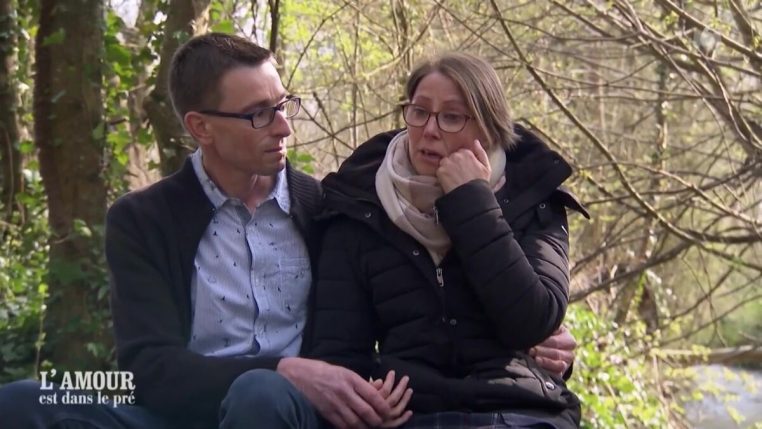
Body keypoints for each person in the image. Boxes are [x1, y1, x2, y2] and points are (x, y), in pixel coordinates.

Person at [0, 34, 577, 429]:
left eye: (284, 104)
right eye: (259, 114)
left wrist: (535, 335)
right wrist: (276, 367)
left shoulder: (321, 205)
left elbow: (405, 306)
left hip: (285, 406)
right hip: (177, 401)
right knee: (28, 398)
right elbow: (144, 369)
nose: (284, 128)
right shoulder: (143, 218)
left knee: (262, 396)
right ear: (201, 127)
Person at [307, 52, 589, 428]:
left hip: (520, 411)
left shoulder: (535, 197)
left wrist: (471, 201)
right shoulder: (358, 204)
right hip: (411, 414)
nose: (430, 130)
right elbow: (338, 353)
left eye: (452, 117)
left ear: (489, 129)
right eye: (419, 111)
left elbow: (532, 323)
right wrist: (368, 401)